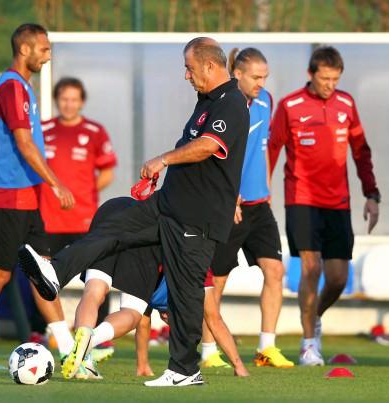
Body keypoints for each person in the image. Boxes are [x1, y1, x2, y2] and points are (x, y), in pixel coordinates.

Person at [19, 37, 249, 387]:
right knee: (115, 226)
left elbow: (208, 146)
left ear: (209, 65)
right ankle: (55, 272)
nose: (186, 75)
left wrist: (164, 159)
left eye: (189, 68)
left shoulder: (231, 102)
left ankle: (185, 371)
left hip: (197, 217)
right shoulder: (206, 101)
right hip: (169, 204)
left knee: (186, 293)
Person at [0, 23, 74, 370]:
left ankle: (70, 353)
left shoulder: (23, 86)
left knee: (43, 275)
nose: (48, 55)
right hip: (7, 199)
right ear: (24, 49)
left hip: (26, 199)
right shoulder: (11, 87)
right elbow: (24, 144)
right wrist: (56, 183)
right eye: (43, 49)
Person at [268, 46, 380, 366]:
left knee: (338, 278)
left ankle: (313, 317)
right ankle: (308, 345)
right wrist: (263, 191)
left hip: (338, 203)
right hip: (302, 198)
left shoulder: (347, 104)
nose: (330, 85)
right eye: (325, 79)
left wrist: (372, 195)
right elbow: (272, 149)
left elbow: (361, 151)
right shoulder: (290, 105)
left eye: (335, 79)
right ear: (311, 74)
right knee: (311, 268)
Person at [60, 197, 248, 379]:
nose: (168, 323)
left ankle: (83, 358)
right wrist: (239, 365)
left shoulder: (168, 288)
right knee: (132, 312)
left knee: (94, 290)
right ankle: (90, 342)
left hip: (114, 209)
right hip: (147, 230)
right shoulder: (195, 271)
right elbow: (214, 320)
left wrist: (142, 365)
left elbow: (145, 322)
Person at [199, 48, 293, 369]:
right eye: (256, 77)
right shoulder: (224, 105)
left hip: (258, 204)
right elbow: (212, 155)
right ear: (237, 74)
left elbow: (263, 147)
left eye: (265, 77)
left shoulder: (266, 100)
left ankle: (266, 348)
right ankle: (208, 351)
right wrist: (229, 197)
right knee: (217, 281)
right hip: (229, 207)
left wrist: (266, 186)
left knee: (275, 271)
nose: (261, 83)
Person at [29, 77, 117, 361]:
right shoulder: (43, 130)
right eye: (64, 99)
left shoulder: (94, 131)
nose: (68, 104)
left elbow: (107, 172)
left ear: (81, 102)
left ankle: (98, 337)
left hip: (84, 219)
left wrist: (85, 193)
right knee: (41, 275)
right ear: (57, 100)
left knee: (97, 276)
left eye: (73, 99)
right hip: (49, 219)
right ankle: (41, 332)